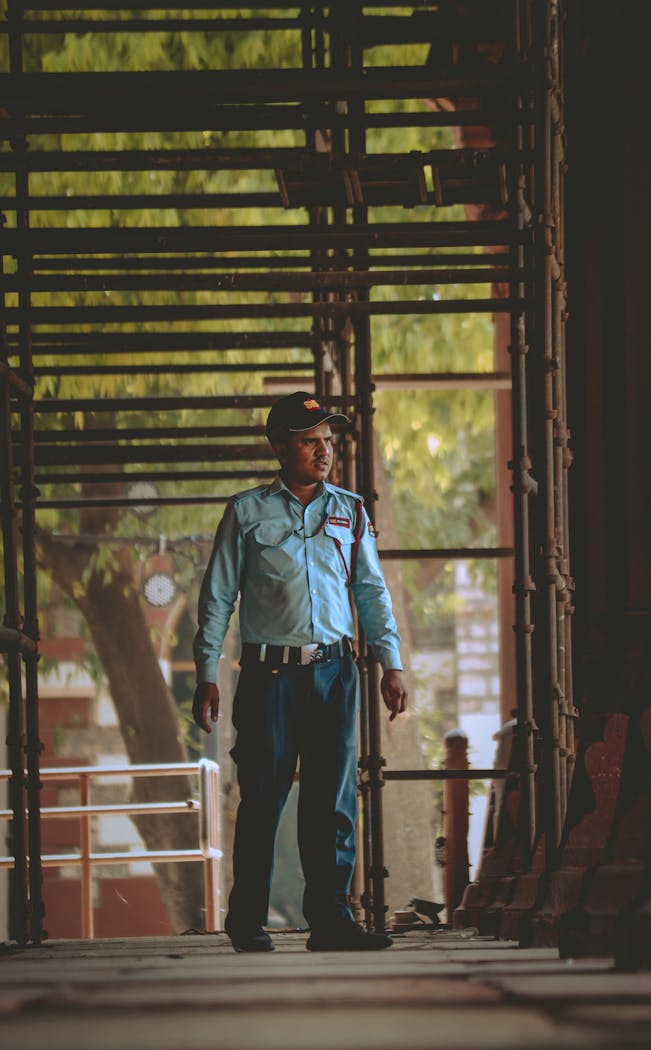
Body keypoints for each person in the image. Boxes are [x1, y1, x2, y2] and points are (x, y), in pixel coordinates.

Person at [192, 391, 407, 953]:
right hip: (271, 680)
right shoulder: (245, 513)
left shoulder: (351, 510)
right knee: (262, 797)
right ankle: (247, 920)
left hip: (336, 674)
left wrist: (391, 662)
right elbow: (218, 598)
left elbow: (371, 591)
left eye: (328, 441)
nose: (324, 451)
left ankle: (331, 921)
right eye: (311, 441)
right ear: (281, 447)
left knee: (331, 799)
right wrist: (207, 672)